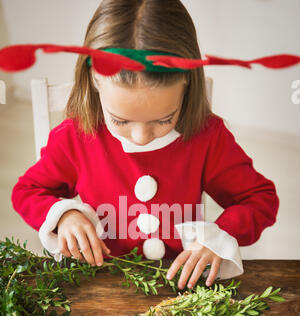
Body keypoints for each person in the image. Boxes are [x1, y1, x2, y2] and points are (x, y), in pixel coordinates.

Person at [11, 0, 279, 291]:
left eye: (163, 120)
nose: (140, 137)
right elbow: (27, 192)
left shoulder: (207, 136)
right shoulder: (76, 135)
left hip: (179, 291)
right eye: (120, 121)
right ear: (95, 79)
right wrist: (64, 214)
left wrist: (218, 238)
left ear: (187, 83)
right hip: (100, 289)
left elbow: (260, 199)